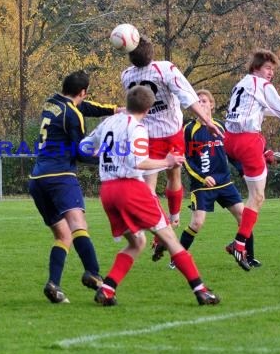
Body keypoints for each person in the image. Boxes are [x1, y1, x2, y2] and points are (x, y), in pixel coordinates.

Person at [82, 85, 220, 306]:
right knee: (170, 238)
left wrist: (101, 152)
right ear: (148, 110)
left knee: (137, 242)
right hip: (130, 188)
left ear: (127, 103)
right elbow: (139, 162)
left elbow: (84, 146)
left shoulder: (108, 122)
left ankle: (107, 290)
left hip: (107, 191)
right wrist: (168, 161)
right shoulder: (137, 128)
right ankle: (201, 290)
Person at [120, 36, 222, 262]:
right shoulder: (164, 68)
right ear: (151, 52)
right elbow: (188, 97)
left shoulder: (126, 76)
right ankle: (173, 218)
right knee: (174, 175)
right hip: (171, 132)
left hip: (144, 134)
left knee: (148, 189)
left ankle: (161, 224)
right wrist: (208, 120)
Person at [28, 70, 119, 304]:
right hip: (61, 176)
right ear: (83, 91)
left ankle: (54, 285)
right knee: (78, 224)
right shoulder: (73, 114)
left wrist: (113, 110)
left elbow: (82, 107)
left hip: (38, 179)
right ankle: (93, 272)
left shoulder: (52, 102)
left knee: (62, 234)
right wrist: (105, 157)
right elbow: (80, 152)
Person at [224, 49, 280, 270]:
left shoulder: (242, 83)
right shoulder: (263, 85)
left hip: (229, 140)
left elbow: (259, 110)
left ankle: (239, 243)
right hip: (247, 142)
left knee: (255, 194)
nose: (271, 73)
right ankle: (240, 244)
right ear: (256, 68)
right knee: (257, 197)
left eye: (273, 69)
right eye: (267, 68)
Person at [180, 89, 261, 267]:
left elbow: (231, 152)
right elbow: (185, 159)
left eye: (203, 101)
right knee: (197, 223)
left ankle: (249, 257)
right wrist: (202, 178)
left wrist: (242, 169)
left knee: (243, 216)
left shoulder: (221, 126)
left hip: (225, 183)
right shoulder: (189, 130)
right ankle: (177, 258)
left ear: (211, 104)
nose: (200, 104)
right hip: (202, 186)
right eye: (197, 101)